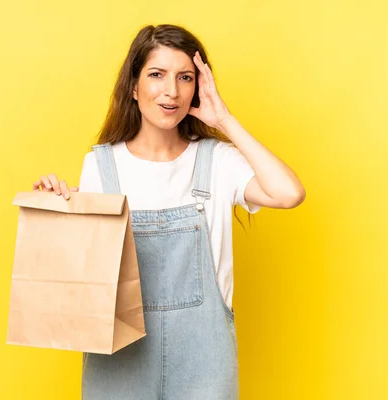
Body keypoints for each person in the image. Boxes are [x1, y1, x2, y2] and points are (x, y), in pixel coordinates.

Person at [32, 24, 305, 400]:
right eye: (156, 75)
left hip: (204, 361)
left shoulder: (218, 161)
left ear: (198, 88)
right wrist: (56, 209)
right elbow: (81, 277)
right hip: (118, 360)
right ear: (133, 86)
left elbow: (289, 193)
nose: (171, 91)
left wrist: (224, 119)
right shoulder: (101, 166)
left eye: (185, 77)